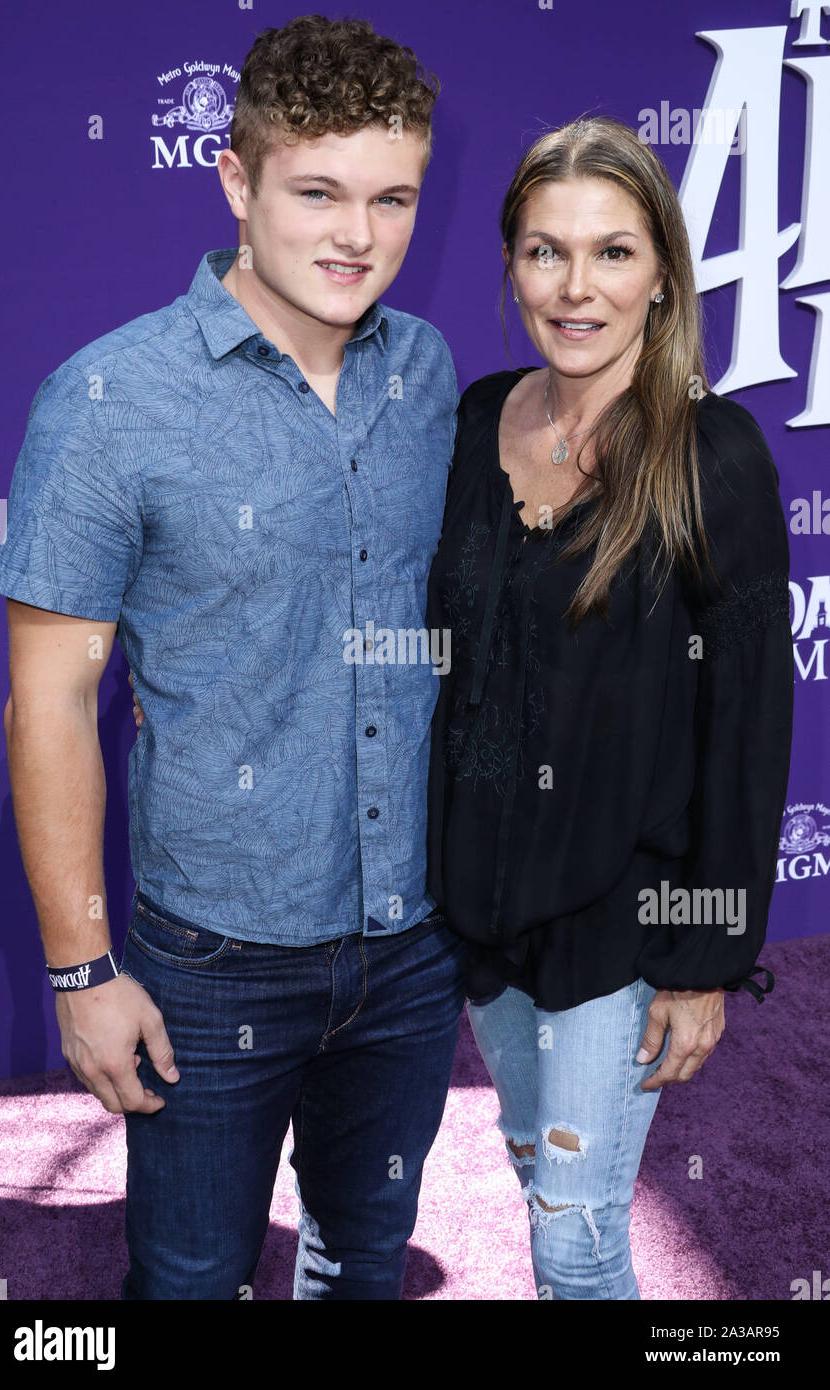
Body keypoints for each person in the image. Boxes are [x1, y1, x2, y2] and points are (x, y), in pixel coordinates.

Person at [0, 15, 466, 1300]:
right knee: (189, 1280)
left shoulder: (426, 375)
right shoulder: (109, 402)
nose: (357, 235)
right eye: (317, 192)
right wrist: (83, 971)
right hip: (211, 961)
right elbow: (48, 703)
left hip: (412, 948)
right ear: (235, 181)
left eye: (391, 199)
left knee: (363, 1264)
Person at [425, 116, 794, 1300]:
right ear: (510, 266)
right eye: (545, 251)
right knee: (535, 1171)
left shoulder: (712, 456)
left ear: (662, 275)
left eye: (611, 252)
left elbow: (745, 727)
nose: (574, 287)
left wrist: (705, 960)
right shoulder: (476, 419)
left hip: (624, 914)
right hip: (486, 905)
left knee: (573, 1235)